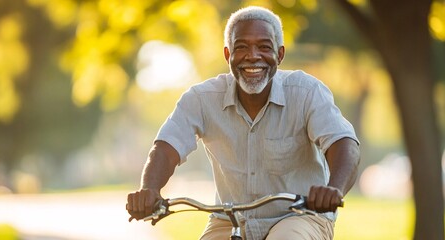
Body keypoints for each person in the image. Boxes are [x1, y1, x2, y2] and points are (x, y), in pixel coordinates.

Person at [126, 6, 360, 240]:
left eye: (264, 47)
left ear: (280, 54)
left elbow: (343, 143)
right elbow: (166, 149)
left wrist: (333, 189)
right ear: (228, 55)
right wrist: (149, 190)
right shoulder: (201, 99)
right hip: (230, 220)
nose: (253, 56)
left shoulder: (306, 92)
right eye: (241, 47)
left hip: (300, 216)